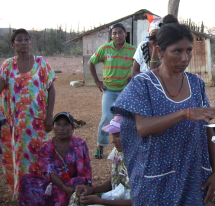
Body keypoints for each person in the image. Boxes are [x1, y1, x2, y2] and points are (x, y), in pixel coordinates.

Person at [110, 23, 215, 205]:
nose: (185, 58)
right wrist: (184, 114)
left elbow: (207, 127)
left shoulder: (196, 83)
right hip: (155, 176)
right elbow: (143, 128)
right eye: (177, 51)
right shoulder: (142, 84)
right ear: (160, 51)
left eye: (189, 50)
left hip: (193, 173)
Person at [0, 28, 56, 201]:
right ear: (13, 44)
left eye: (26, 39)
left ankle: (42, 192)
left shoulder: (41, 63)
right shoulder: (8, 65)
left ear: (30, 43)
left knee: (41, 156)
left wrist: (49, 117)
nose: (23, 42)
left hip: (38, 122)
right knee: (20, 159)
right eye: (19, 40)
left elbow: (50, 89)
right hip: (16, 124)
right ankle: (24, 193)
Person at [18, 112, 92, 206]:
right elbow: (49, 171)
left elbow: (86, 170)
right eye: (58, 124)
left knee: (79, 182)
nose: (62, 128)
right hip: (53, 184)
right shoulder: (46, 147)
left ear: (73, 127)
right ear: (53, 127)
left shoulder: (79, 143)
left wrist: (87, 187)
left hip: (73, 184)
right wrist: (64, 187)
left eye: (66, 124)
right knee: (25, 180)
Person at [88, 23, 136, 159]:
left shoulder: (132, 50)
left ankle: (125, 147)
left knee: (126, 119)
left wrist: (132, 78)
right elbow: (91, 62)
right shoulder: (104, 49)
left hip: (125, 91)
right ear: (111, 35)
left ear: (125, 34)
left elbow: (138, 65)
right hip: (109, 90)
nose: (118, 36)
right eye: (114, 33)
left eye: (120, 32)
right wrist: (97, 81)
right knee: (107, 118)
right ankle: (100, 146)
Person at [69, 115, 131, 206]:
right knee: (77, 197)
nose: (113, 141)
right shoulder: (119, 154)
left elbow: (140, 201)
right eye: (113, 136)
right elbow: (115, 181)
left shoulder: (139, 160)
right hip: (117, 197)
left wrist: (101, 201)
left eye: (117, 136)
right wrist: (92, 189)